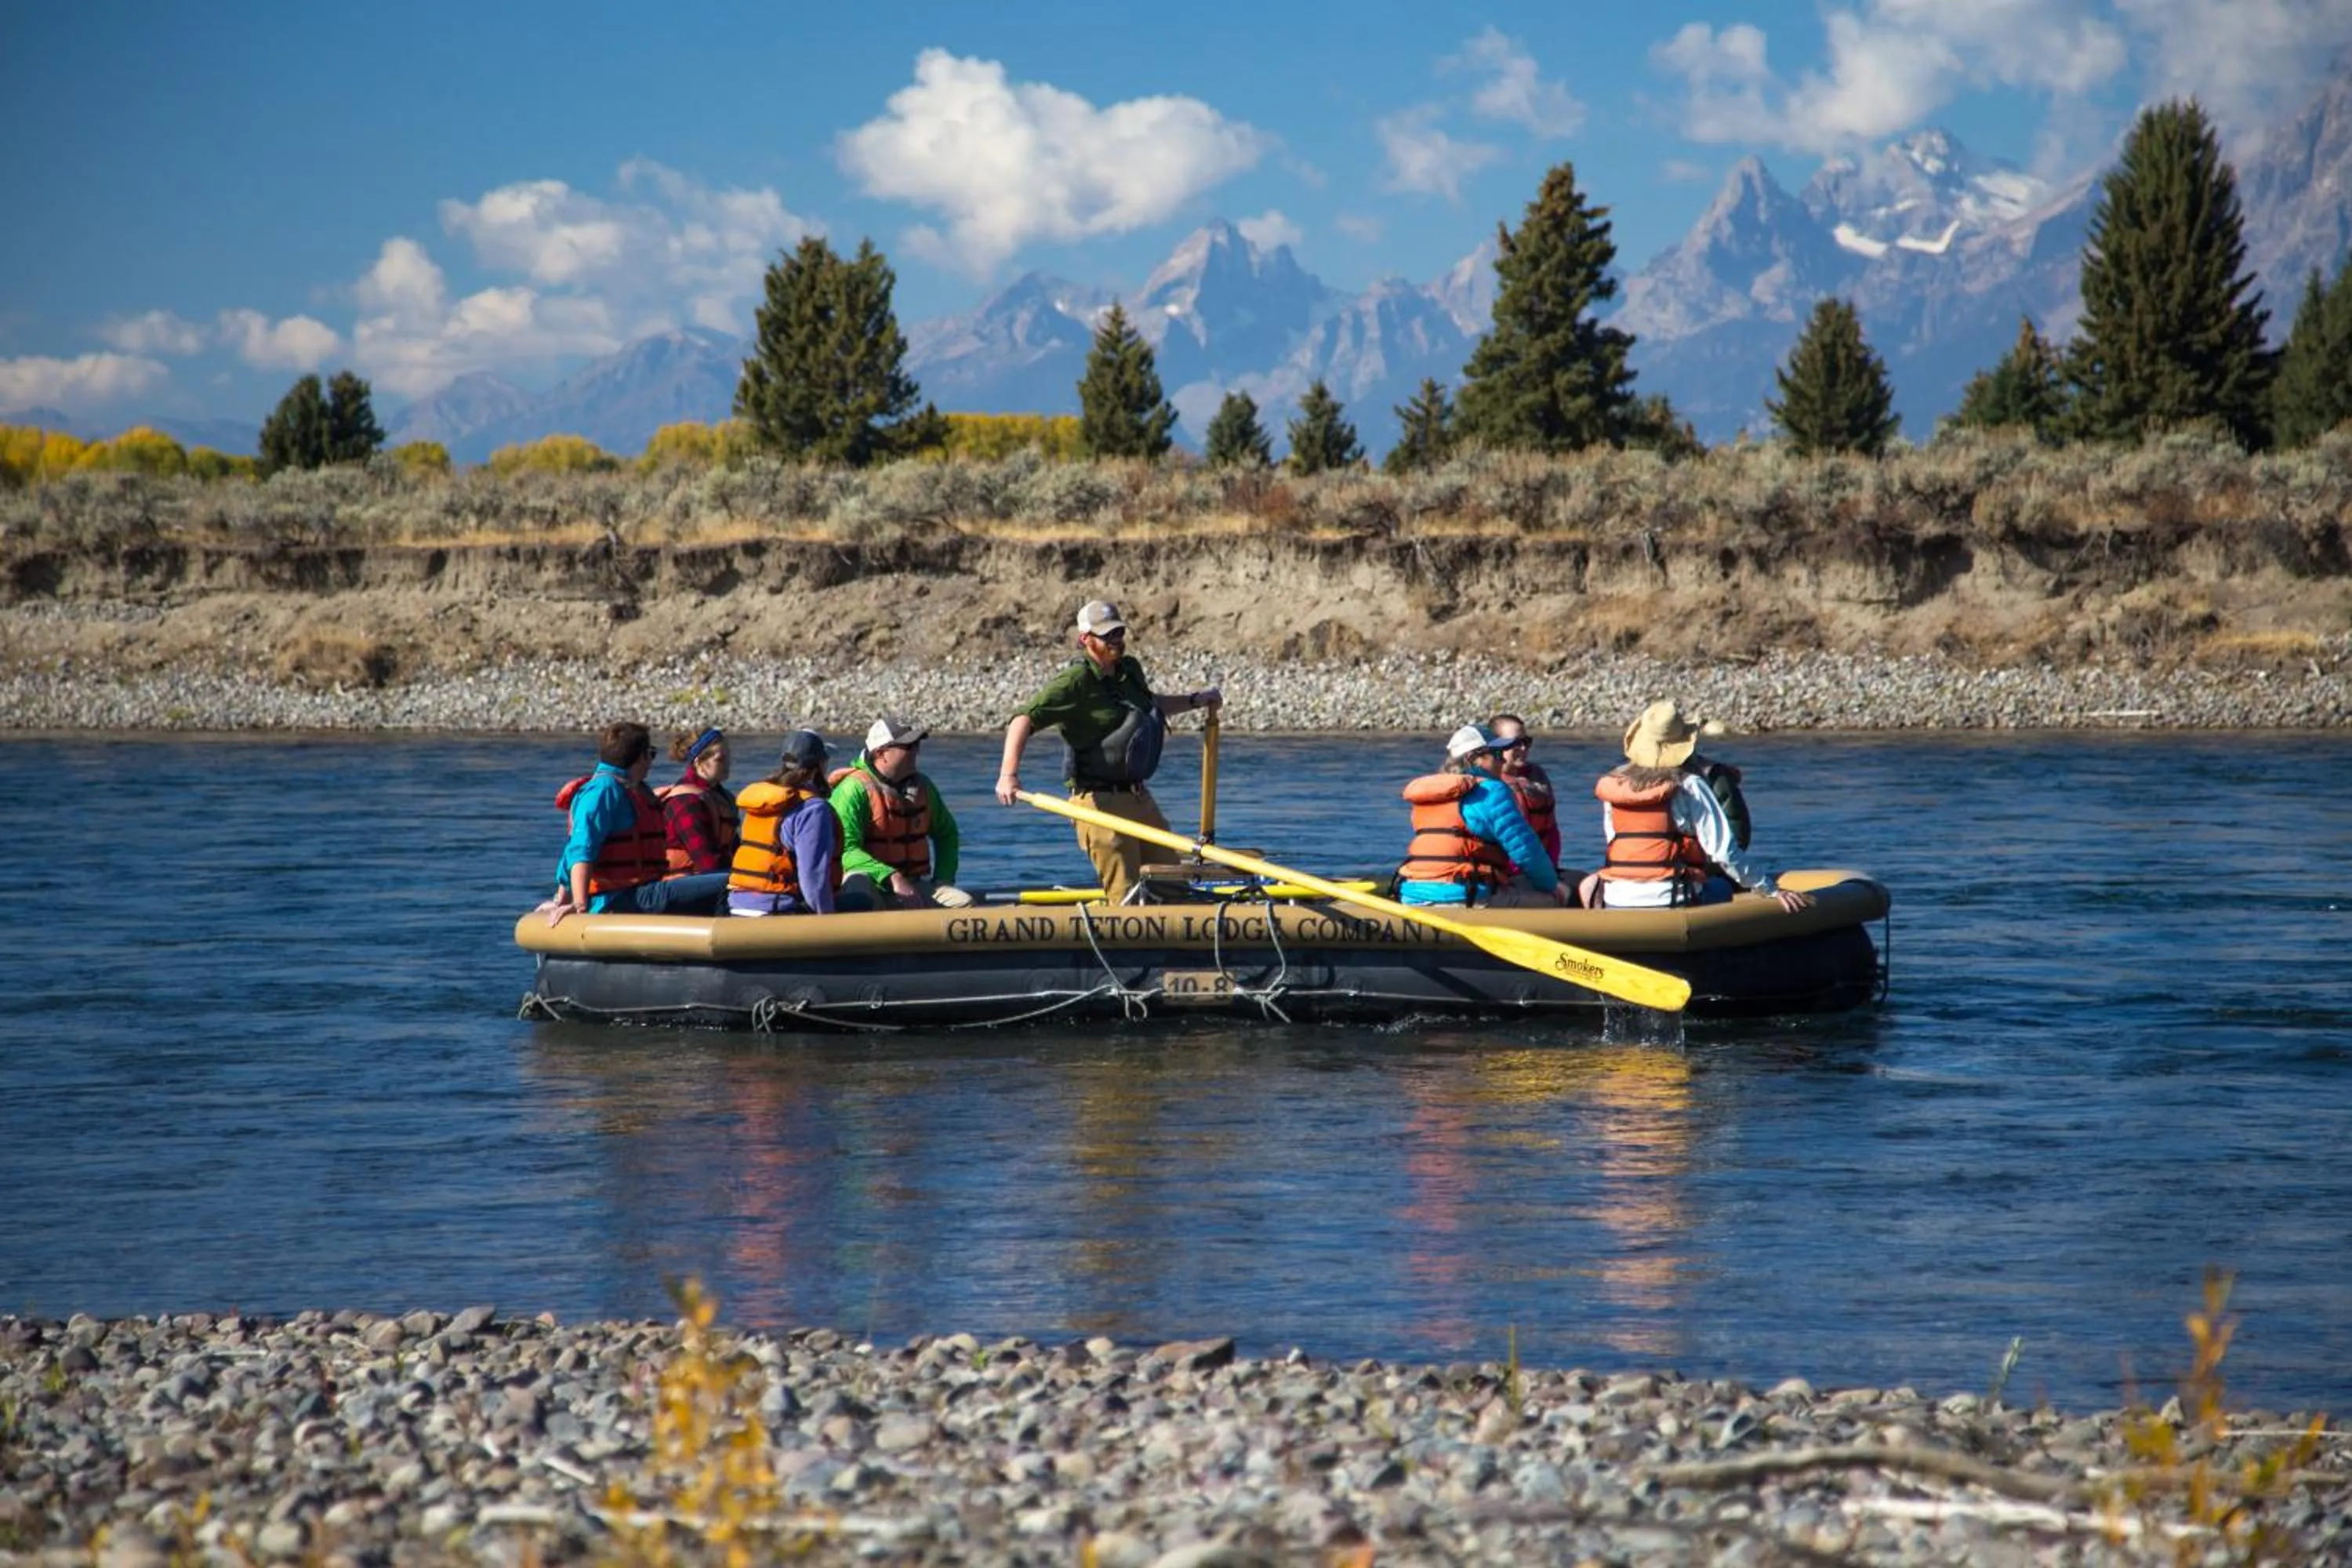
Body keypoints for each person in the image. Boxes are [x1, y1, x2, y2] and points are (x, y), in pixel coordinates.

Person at [994, 598, 1221, 905]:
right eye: (1107, 635)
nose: (1116, 640)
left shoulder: (1129, 671)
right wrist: (1008, 775)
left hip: (1139, 799)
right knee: (1126, 894)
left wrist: (1196, 700)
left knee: (1171, 884)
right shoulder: (1075, 681)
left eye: (1118, 632)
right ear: (1085, 639)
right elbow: (1023, 719)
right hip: (1098, 804)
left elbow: (1152, 706)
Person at [1582, 699, 1812, 913]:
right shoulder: (1690, 785)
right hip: (1674, 899)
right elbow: (1724, 853)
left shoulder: (1615, 786)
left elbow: (1614, 842)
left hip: (1617, 899)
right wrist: (1770, 890)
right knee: (1722, 887)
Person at [546, 721, 730, 922]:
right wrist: (578, 904)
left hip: (642, 890)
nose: (651, 763)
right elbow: (581, 850)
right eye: (651, 754)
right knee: (731, 881)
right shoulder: (603, 791)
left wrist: (562, 899)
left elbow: (572, 854)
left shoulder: (632, 789)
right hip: (619, 899)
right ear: (641, 756)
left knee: (724, 882)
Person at [1396, 724, 1570, 908]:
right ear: (1473, 759)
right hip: (1465, 896)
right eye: (1496, 754)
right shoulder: (1491, 791)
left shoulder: (1432, 793)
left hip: (1412, 893)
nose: (1503, 761)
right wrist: (1551, 886)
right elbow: (1525, 850)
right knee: (1560, 895)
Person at [831, 715, 975, 910]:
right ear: (882, 753)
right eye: (908, 746)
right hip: (870, 881)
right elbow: (845, 850)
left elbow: (946, 834)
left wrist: (943, 879)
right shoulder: (852, 789)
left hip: (912, 884)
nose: (916, 751)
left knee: (964, 903)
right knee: (859, 889)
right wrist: (892, 876)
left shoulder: (924, 787)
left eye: (917, 745)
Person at [728, 730, 842, 916]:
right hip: (778, 909)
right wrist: (828, 920)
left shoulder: (763, 799)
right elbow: (813, 879)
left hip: (737, 903)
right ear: (819, 766)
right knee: (859, 900)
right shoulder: (813, 809)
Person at [1486, 712, 1562, 872]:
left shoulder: (1537, 776)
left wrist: (1549, 870)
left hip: (1542, 869)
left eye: (1526, 742)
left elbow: (1552, 832)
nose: (1523, 748)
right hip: (1505, 873)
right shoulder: (1488, 783)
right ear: (1495, 746)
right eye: (1515, 743)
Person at [659, 726, 738, 876]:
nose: (728, 764)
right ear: (698, 762)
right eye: (720, 759)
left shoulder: (721, 797)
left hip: (715, 875)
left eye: (729, 758)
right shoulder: (686, 802)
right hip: (681, 884)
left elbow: (734, 847)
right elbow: (707, 862)